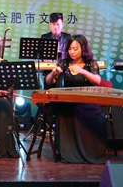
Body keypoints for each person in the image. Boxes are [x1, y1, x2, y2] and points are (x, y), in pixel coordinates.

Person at [44, 34, 107, 164]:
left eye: (75, 49)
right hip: (68, 101)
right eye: (69, 49)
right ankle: (68, 152)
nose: (71, 52)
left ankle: (88, 151)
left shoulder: (91, 63)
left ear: (83, 49)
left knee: (80, 108)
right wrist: (53, 73)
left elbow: (97, 81)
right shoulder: (64, 63)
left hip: (87, 102)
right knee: (62, 109)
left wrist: (81, 71)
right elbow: (49, 81)